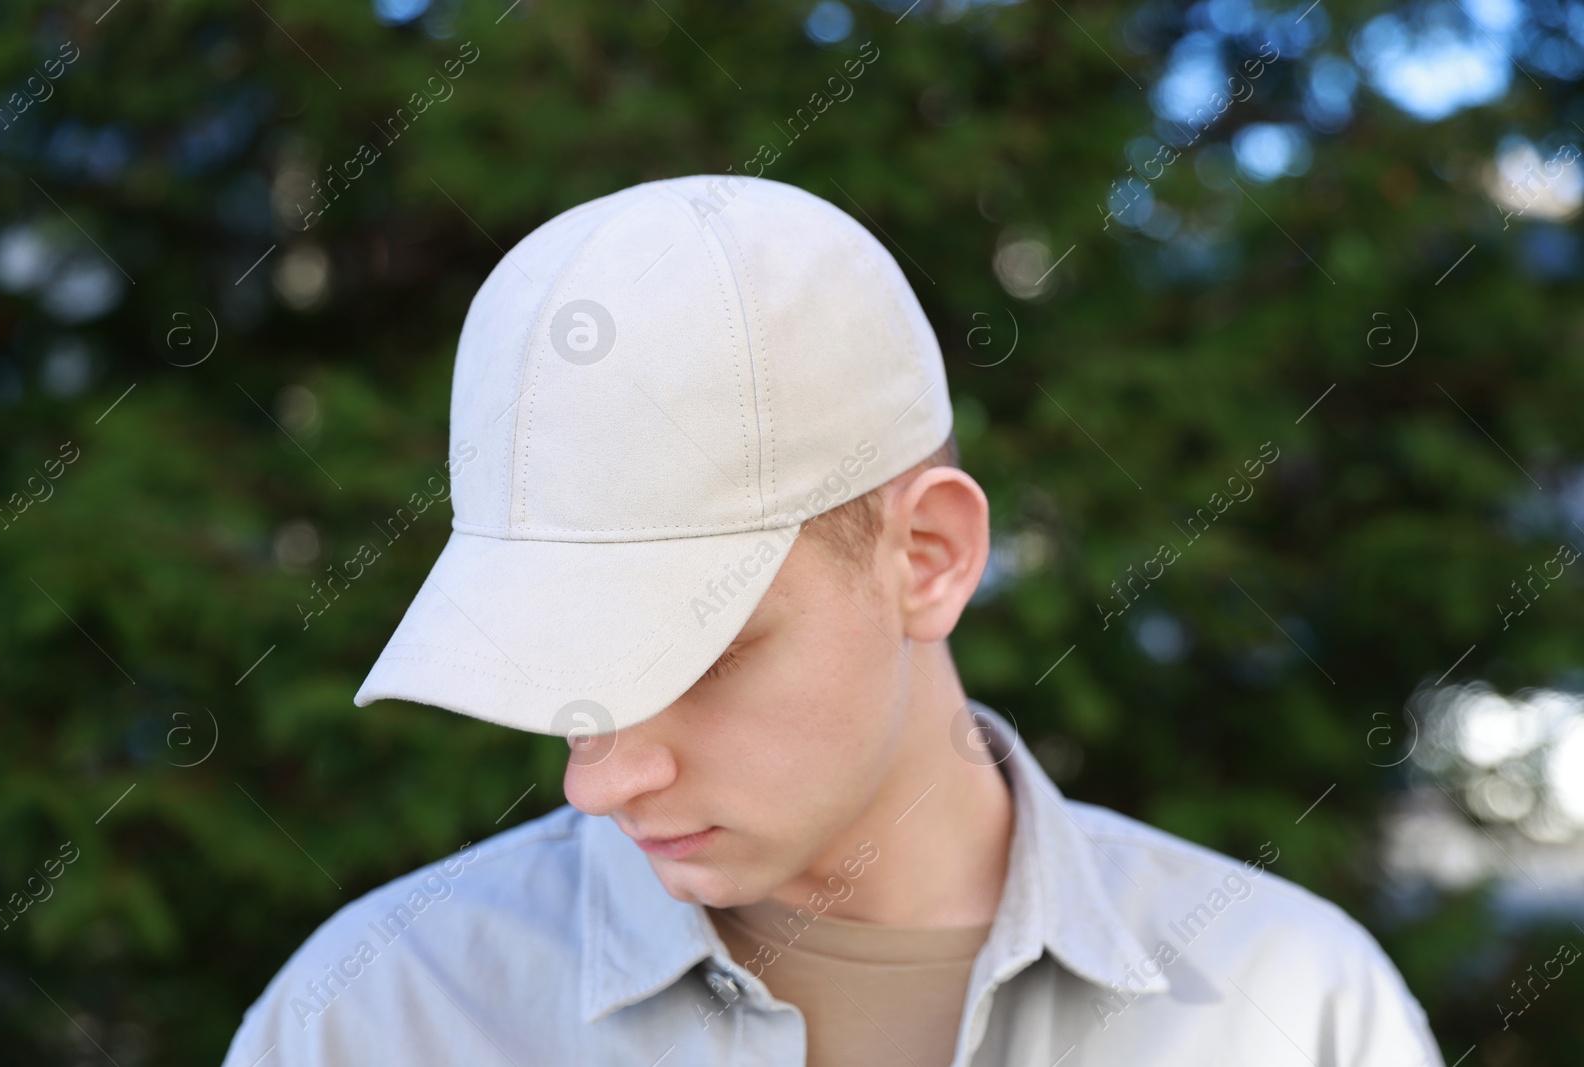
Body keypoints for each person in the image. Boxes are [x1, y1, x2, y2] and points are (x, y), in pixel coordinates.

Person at [222, 175, 1443, 1067]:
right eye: (556, 660)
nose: (599, 777)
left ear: (928, 557)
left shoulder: (1295, 1012)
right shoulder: (373, 1017)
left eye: (695, 648)